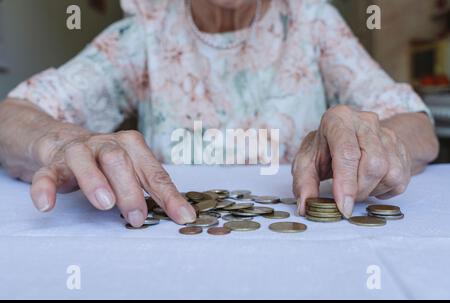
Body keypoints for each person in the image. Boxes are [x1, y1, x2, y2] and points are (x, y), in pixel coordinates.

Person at [0, 0, 439, 228]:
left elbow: (418, 124)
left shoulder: (310, 19)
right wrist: (61, 140)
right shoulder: (148, 31)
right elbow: (13, 115)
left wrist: (378, 137)